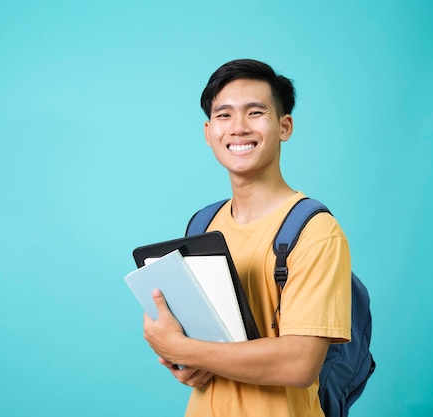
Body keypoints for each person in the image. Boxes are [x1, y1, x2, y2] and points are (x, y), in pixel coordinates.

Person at [142, 59, 352, 417]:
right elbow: (200, 347)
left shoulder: (314, 231)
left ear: (284, 126)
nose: (238, 128)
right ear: (208, 132)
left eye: (255, 113)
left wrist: (183, 348)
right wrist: (181, 359)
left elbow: (300, 365)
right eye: (224, 116)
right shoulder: (203, 224)